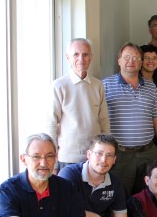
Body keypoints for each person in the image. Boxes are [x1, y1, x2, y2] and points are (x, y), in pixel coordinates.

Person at [103, 43, 157, 196]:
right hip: (120, 155)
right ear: (119, 61)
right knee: (119, 196)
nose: (131, 61)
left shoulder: (151, 87)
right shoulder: (105, 85)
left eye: (136, 57)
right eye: (127, 57)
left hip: (148, 153)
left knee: (146, 196)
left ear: (141, 62)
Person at [45, 38, 109, 168]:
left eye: (85, 54)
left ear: (90, 57)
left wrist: (106, 150)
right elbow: (51, 124)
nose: (81, 59)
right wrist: (52, 159)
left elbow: (104, 120)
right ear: (68, 57)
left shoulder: (98, 85)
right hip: (67, 158)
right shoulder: (59, 86)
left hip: (95, 157)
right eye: (76, 54)